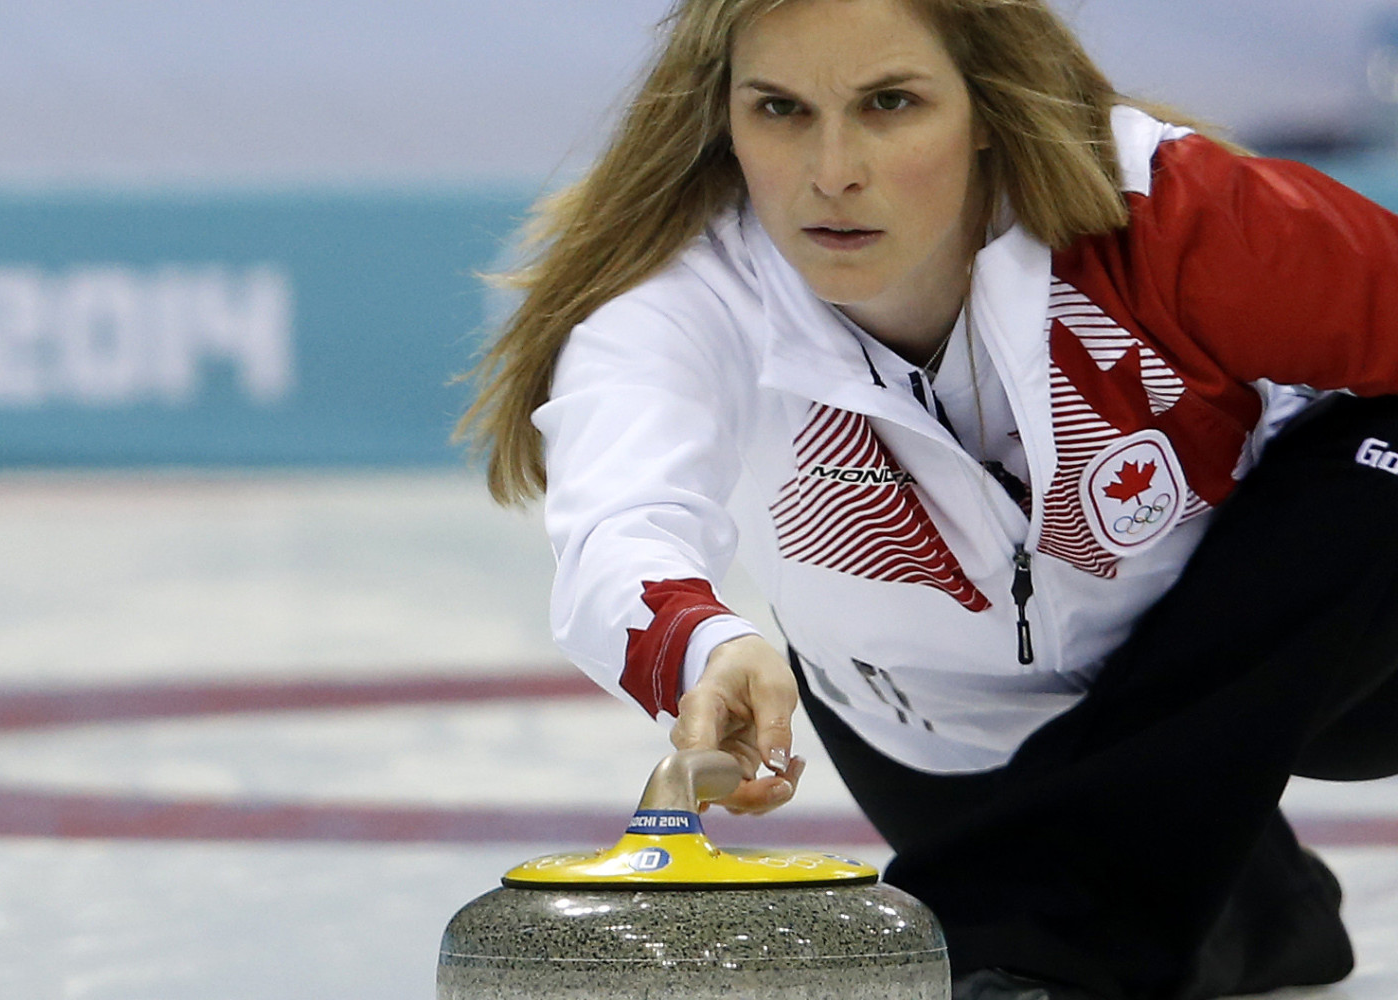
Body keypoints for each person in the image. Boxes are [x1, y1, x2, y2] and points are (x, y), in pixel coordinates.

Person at [457, 0, 1398, 997]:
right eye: (777, 110)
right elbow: (620, 523)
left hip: (1314, 668)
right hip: (942, 745)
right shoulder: (678, 303)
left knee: (1032, 939)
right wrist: (705, 645)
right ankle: (1254, 902)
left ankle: (1037, 904)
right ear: (721, 117)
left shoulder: (1161, 212)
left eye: (888, 103)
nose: (831, 171)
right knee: (1203, 935)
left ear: (983, 105)